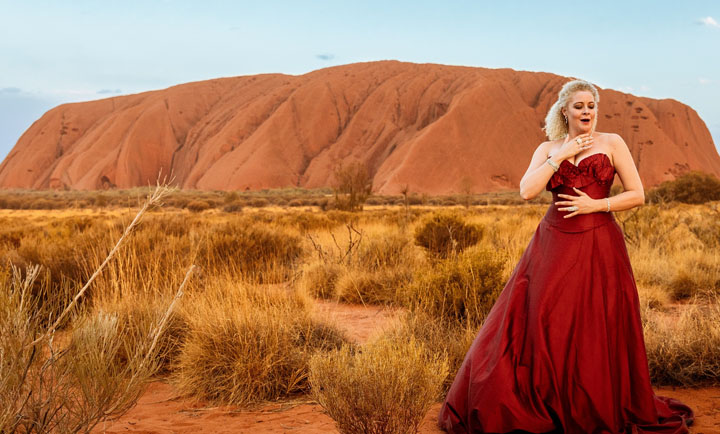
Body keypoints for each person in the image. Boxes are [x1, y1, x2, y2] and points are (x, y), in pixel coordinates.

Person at [437, 80, 694, 433]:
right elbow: (527, 191)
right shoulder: (548, 147)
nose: (586, 111)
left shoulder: (612, 143)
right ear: (564, 111)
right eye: (579, 106)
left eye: (591, 105)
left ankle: (592, 401)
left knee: (593, 321)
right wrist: (559, 155)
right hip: (553, 245)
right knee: (546, 319)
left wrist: (597, 204)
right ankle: (549, 401)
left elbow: (638, 195)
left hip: (599, 243)